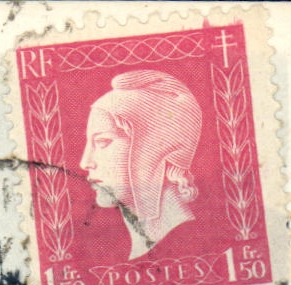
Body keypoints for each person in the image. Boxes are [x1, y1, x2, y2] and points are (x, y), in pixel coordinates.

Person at [79, 69, 205, 260]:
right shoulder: (140, 252)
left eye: (103, 142)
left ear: (153, 148)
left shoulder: (190, 247)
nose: (85, 162)